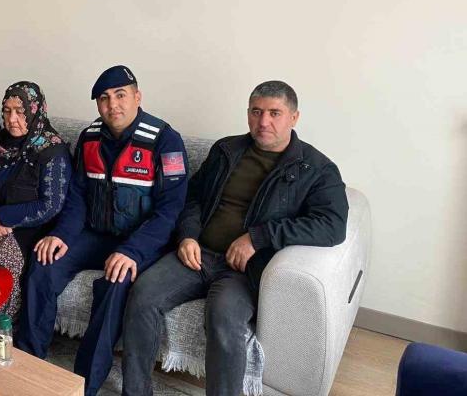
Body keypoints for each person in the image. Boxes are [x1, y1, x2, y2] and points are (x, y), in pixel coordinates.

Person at [122, 81, 349, 396]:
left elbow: (332, 225)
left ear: (294, 117)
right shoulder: (226, 150)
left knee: (224, 318)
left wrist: (258, 238)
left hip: (245, 271)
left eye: (274, 113)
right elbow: (192, 198)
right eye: (256, 112)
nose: (263, 121)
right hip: (197, 255)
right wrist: (187, 236)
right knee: (143, 294)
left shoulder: (316, 169)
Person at [15, 65, 189, 396]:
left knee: (115, 282)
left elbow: (170, 211)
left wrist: (132, 252)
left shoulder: (165, 140)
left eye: (121, 96)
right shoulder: (90, 137)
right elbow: (77, 196)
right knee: (44, 262)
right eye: (104, 98)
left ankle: (84, 384)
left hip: (140, 242)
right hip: (95, 235)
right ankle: (28, 364)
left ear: (137, 97)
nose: (113, 105)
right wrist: (61, 235)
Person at [0, 81, 72, 318]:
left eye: (20, 112)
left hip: (27, 228)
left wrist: (0, 217)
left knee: (4, 255)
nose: (12, 119)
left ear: (34, 111)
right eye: (7, 111)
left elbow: (51, 205)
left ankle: (3, 325)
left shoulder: (52, 150)